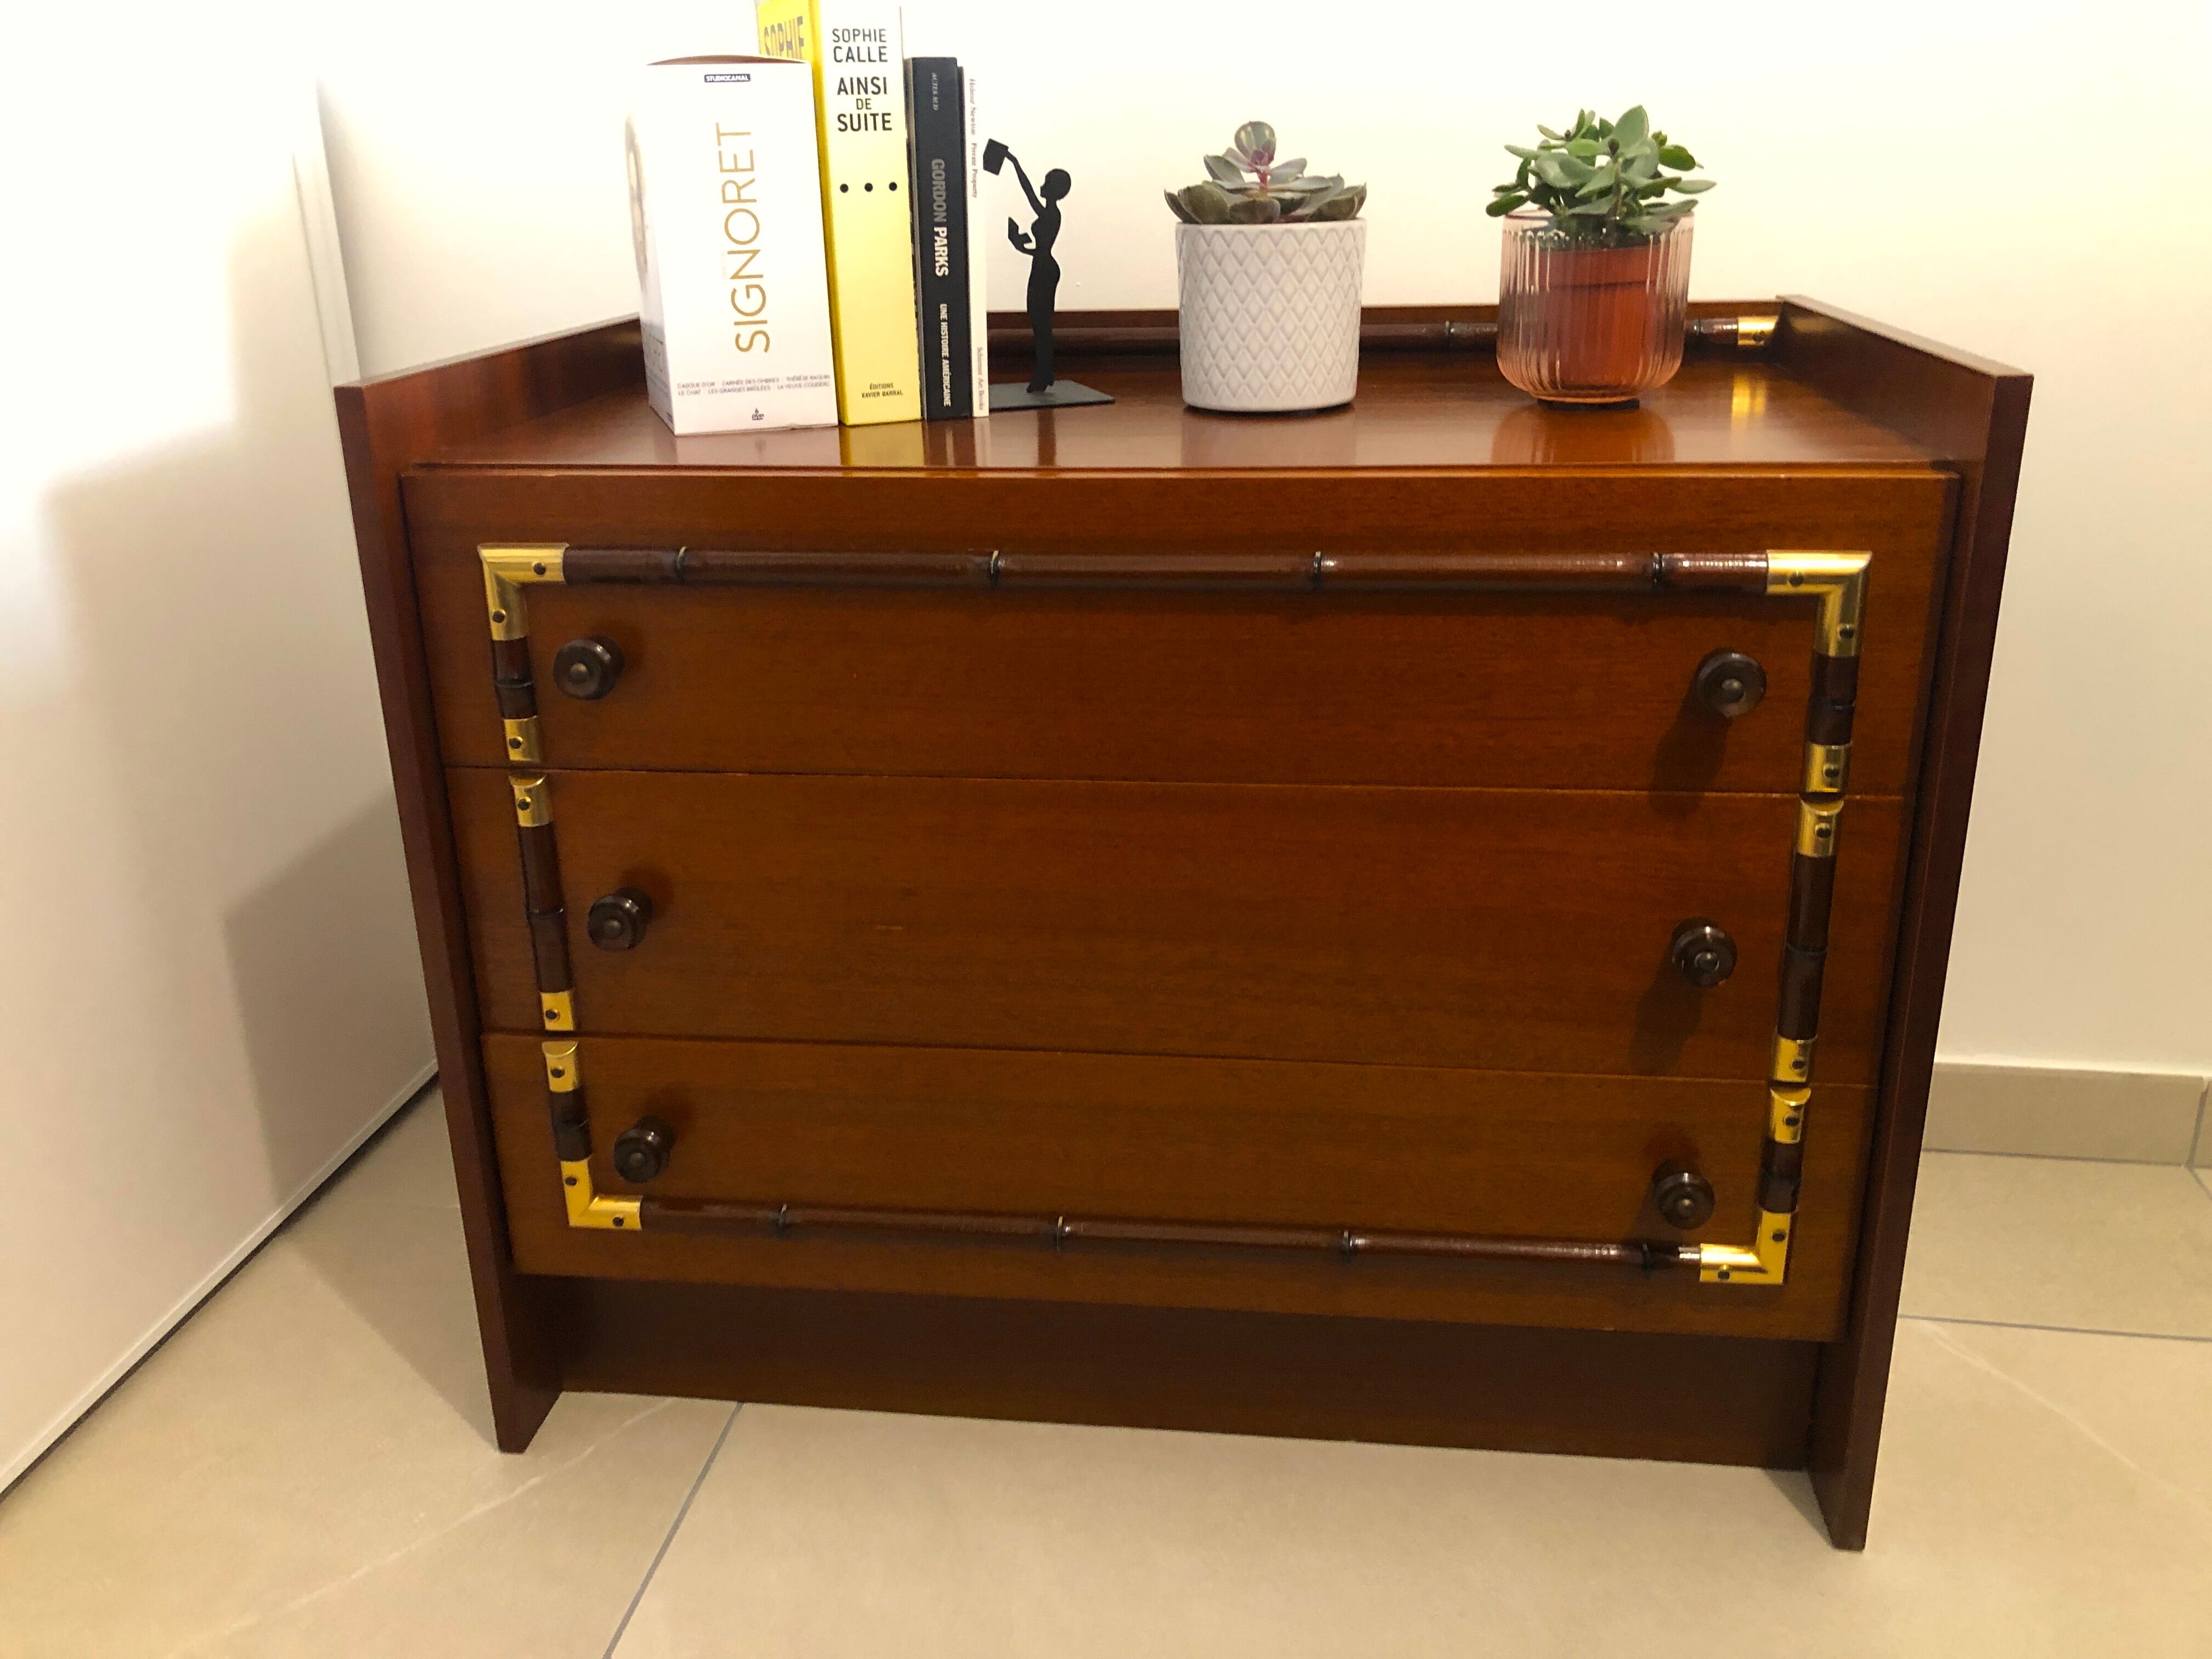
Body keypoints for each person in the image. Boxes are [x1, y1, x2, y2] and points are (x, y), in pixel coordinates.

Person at [1004, 159, 1071, 393]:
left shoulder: (1052, 214)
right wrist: (1014, 163)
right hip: (1041, 266)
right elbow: (1028, 191)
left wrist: (1018, 245)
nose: (1041, 186)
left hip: (1045, 269)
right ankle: (1045, 371)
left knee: (1042, 325)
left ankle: (1044, 373)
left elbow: (1041, 249)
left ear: (1054, 190)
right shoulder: (1048, 211)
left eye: (1046, 183)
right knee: (1039, 323)